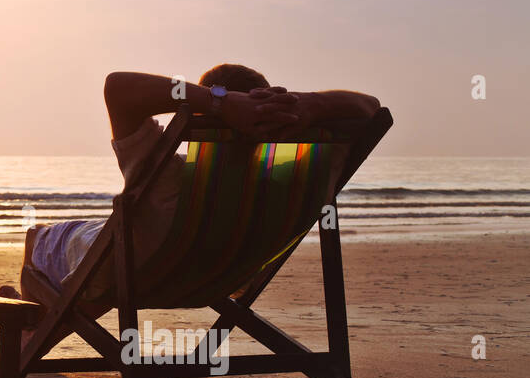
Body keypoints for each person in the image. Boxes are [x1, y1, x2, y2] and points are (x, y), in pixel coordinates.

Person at [23, 65, 380, 295]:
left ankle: (30, 322)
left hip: (135, 272)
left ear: (196, 115)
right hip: (224, 278)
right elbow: (369, 108)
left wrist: (219, 103)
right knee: (99, 237)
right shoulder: (285, 183)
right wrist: (300, 105)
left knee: (40, 238)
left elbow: (117, 86)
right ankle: (36, 321)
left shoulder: (165, 176)